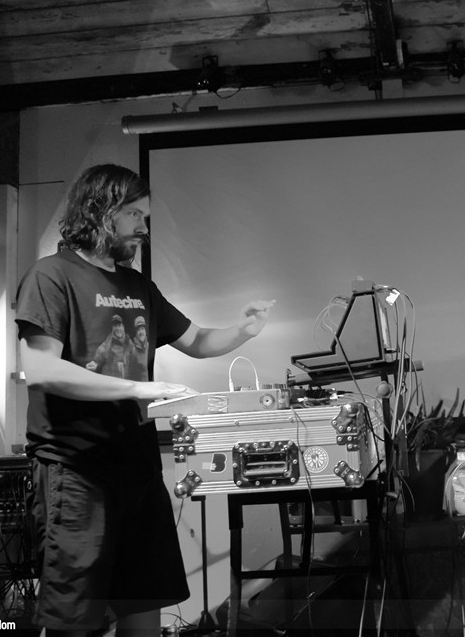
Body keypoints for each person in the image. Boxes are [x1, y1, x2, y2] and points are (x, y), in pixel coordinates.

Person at [16, 163, 275, 636]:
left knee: (144, 603)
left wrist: (243, 330)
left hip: (137, 468)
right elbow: (41, 369)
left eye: (146, 216)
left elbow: (196, 341)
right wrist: (140, 388)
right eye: (134, 214)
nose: (143, 227)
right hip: (76, 470)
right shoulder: (51, 276)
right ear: (101, 210)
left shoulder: (138, 287)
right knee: (75, 618)